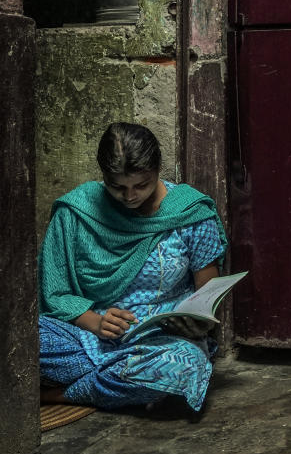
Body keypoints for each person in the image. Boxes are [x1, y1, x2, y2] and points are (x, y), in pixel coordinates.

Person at [38, 122, 229, 412]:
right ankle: (114, 384)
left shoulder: (190, 214)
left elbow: (208, 297)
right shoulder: (76, 212)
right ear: (104, 175)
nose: (129, 197)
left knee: (183, 368)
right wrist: (95, 322)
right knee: (19, 336)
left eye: (142, 184)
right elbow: (54, 292)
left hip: (159, 343)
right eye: (117, 187)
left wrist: (196, 325)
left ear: (158, 169)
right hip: (86, 338)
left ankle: (60, 394)